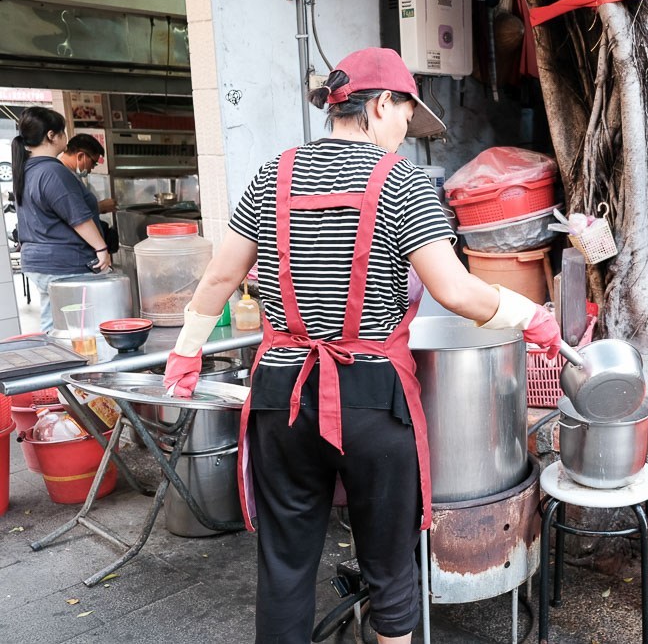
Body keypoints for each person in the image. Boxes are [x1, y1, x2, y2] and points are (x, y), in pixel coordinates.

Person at [162, 47, 561, 644]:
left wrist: (188, 349)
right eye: (405, 116)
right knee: (390, 567)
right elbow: (455, 290)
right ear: (380, 106)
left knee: (285, 565)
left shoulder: (272, 175)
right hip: (371, 401)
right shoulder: (402, 182)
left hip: (281, 394)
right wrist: (532, 316)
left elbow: (220, 278)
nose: (405, 132)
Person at [11, 107, 111, 331]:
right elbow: (77, 217)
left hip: (38, 262)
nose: (66, 137)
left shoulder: (26, 169)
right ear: (51, 135)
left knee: (54, 325)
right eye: (63, 132)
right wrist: (101, 248)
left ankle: (57, 363)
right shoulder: (52, 171)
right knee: (81, 329)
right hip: (64, 263)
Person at [59, 133, 117, 214]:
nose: (91, 168)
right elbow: (73, 213)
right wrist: (100, 207)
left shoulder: (71, 175)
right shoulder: (61, 176)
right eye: (93, 163)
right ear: (80, 156)